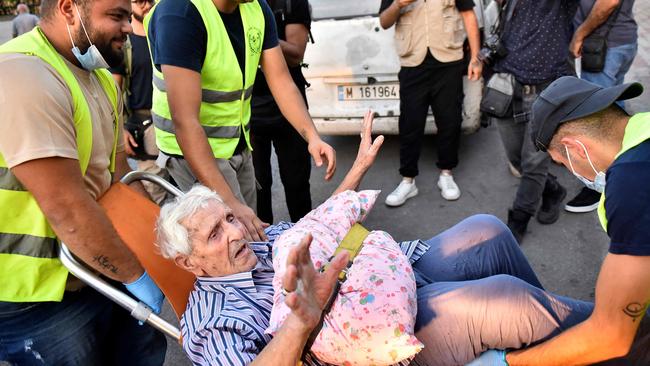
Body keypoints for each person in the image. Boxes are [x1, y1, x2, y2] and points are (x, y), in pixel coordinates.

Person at [156, 112, 648, 365]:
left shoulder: (261, 243)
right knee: (504, 301)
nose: (235, 232)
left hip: (386, 278)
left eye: (229, 218)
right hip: (367, 336)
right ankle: (621, 343)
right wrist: (300, 321)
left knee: (487, 231)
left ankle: (574, 343)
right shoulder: (209, 324)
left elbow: (328, 226)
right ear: (190, 263)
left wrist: (358, 172)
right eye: (214, 234)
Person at [0, 0, 166, 364]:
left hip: (99, 271)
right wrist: (137, 276)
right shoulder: (22, 73)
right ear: (69, 9)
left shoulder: (101, 77)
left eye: (128, 16)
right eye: (116, 15)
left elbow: (118, 175)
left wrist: (160, 247)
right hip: (37, 297)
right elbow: (68, 210)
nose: (128, 26)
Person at [471, 76, 650, 364]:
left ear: (576, 148)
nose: (570, 170)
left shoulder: (633, 185)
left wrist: (511, 362)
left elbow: (611, 335)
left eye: (562, 162)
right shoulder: (643, 130)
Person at [145, 0, 336, 243]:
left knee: (251, 236)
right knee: (232, 243)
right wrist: (230, 203)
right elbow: (185, 121)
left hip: (237, 144)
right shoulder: (179, 11)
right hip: (192, 153)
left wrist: (311, 136)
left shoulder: (256, 8)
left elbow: (280, 80)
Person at [486, 0, 576, 242]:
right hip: (508, 84)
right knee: (518, 159)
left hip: (547, 88)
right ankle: (553, 190)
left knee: (534, 161)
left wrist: (584, 34)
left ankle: (519, 220)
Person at [379, 0, 482, 205]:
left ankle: (446, 174)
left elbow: (469, 16)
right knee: (410, 124)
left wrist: (475, 58)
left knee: (450, 120)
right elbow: (384, 21)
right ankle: (408, 181)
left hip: (448, 61)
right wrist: (398, 4)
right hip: (412, 63)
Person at [564, 0, 638, 214]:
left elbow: (608, 2)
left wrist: (579, 34)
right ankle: (621, 167)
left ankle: (602, 185)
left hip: (606, 46)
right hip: (618, 42)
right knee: (614, 110)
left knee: (598, 119)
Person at [250, 0, 312, 224]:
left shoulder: (290, 3)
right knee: (257, 188)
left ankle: (306, 247)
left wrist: (257, 35)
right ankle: (262, 252)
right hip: (248, 110)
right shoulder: (235, 6)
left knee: (297, 185)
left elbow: (296, 55)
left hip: (289, 110)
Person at [110, 0, 169, 204]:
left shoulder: (166, 34)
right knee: (155, 193)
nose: (146, 5)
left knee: (187, 194)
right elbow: (113, 91)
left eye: (150, 0)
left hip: (175, 123)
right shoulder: (125, 43)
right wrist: (120, 131)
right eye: (139, 1)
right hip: (146, 127)